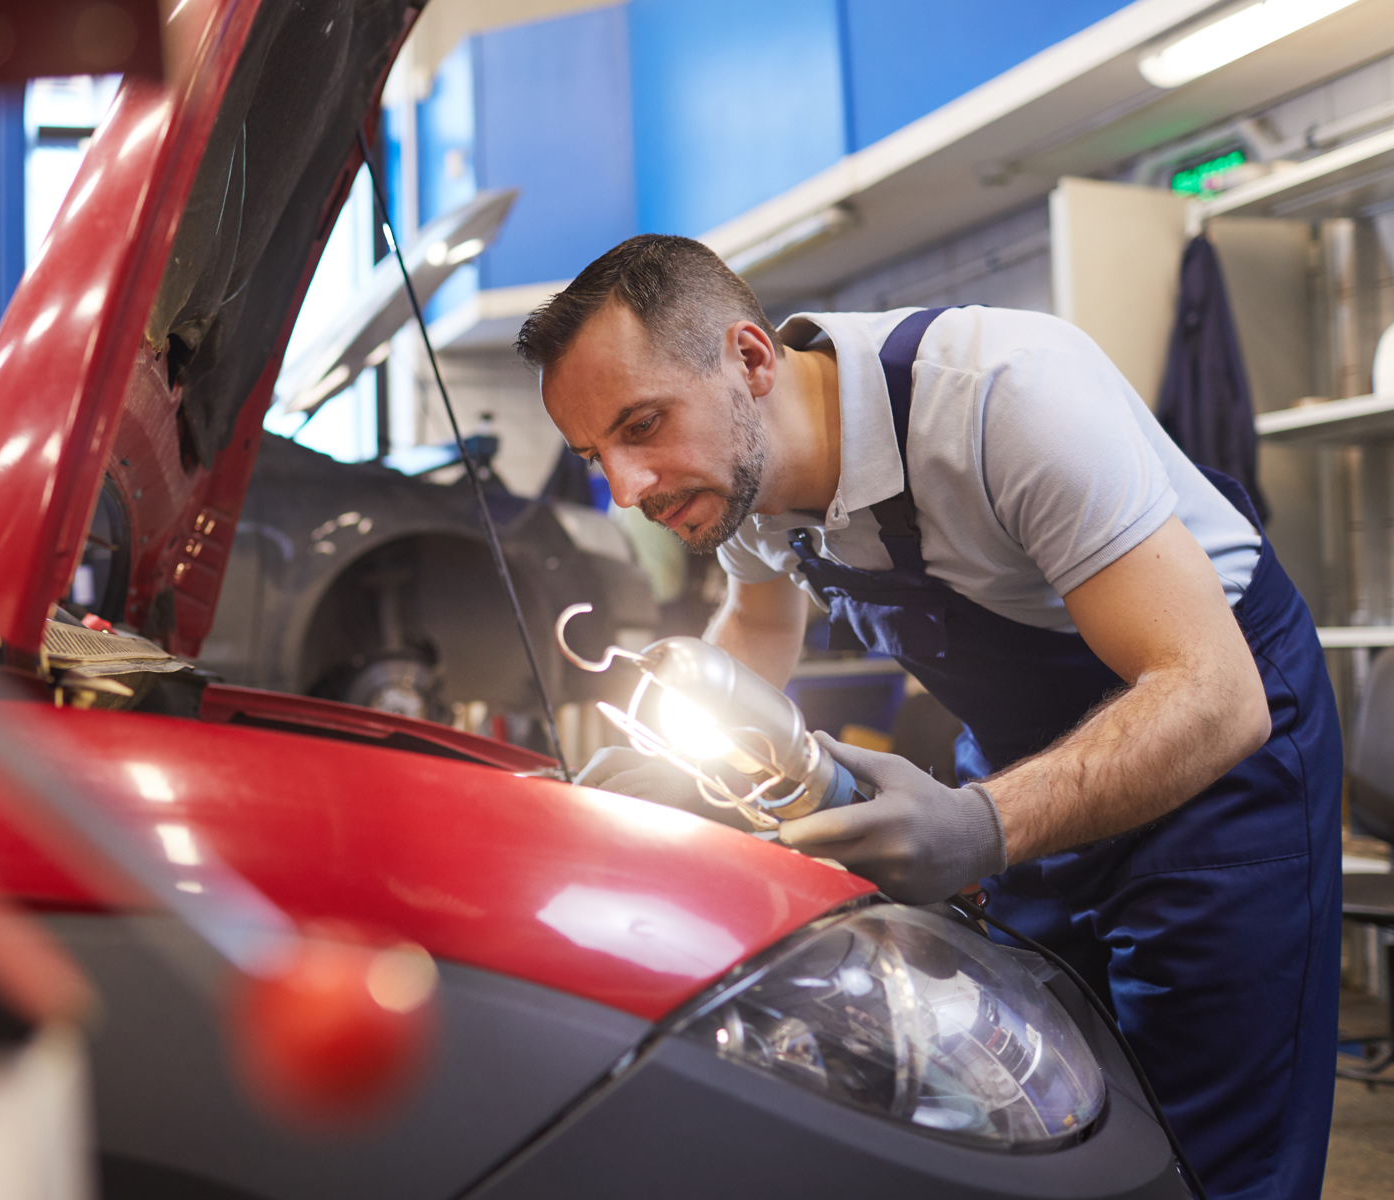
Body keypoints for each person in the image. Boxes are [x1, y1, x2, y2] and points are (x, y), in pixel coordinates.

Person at [520, 234, 1341, 1200]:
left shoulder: (1003, 394)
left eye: (644, 424)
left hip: (1219, 756)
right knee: (1038, 1104)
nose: (629, 487)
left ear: (749, 359)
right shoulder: (739, 477)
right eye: (596, 456)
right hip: (1024, 764)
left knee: (1206, 1146)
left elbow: (1214, 693)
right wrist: (676, 765)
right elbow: (755, 619)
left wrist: (982, 824)